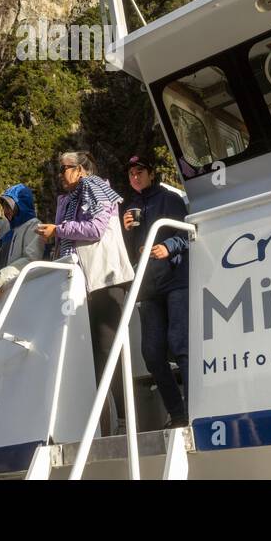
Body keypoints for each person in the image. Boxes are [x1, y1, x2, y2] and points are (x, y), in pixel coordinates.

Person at [36, 151, 134, 435]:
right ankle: (104, 423)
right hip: (83, 283)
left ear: (80, 170)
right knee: (90, 356)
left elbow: (95, 229)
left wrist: (59, 229)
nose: (60, 174)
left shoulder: (95, 187)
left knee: (107, 351)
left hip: (105, 279)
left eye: (64, 168)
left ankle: (126, 419)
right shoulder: (69, 199)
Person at [122, 156, 190, 428]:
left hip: (175, 280)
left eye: (140, 171)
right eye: (131, 174)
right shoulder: (130, 208)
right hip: (148, 286)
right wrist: (124, 231)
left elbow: (189, 232)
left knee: (180, 343)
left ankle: (195, 409)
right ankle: (178, 414)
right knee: (151, 354)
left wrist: (168, 246)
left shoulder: (170, 199)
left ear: (151, 173)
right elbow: (126, 253)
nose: (136, 177)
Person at [0, 184, 45, 298]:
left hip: (27, 290)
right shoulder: (11, 232)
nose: (5, 211)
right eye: (4, 207)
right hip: (11, 291)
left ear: (20, 205)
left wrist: (0, 279)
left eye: (9, 206)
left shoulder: (34, 225)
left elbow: (31, 259)